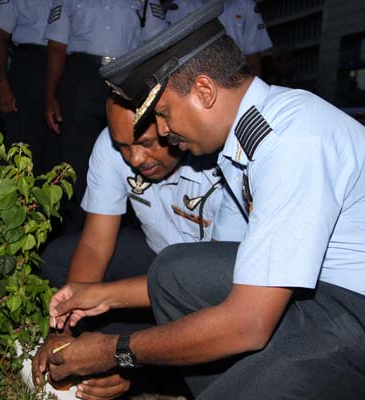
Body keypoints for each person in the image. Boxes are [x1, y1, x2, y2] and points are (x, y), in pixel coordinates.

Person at [36, 2, 365, 399]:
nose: (162, 131)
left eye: (163, 113)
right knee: (176, 271)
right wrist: (104, 295)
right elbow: (232, 280)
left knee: (210, 308)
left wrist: (116, 352)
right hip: (326, 300)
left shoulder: (291, 141)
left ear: (204, 91)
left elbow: (248, 322)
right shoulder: (247, 143)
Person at [33, 94, 244, 399]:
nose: (135, 159)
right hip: (157, 260)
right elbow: (94, 245)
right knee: (60, 259)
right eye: (123, 146)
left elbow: (210, 287)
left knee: (218, 357)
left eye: (147, 143)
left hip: (216, 285)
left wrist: (122, 359)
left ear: (171, 122)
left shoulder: (223, 158)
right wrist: (62, 330)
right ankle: (104, 350)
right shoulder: (111, 146)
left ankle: (133, 364)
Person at [42, 0, 169, 233]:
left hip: (128, 78)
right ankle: (77, 232)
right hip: (82, 77)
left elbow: (157, 43)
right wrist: (50, 95)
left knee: (134, 152)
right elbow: (57, 45)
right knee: (76, 161)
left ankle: (129, 229)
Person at [0, 0, 60, 176]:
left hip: (68, 64)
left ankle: (54, 191)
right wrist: (2, 83)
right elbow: (0, 36)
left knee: (58, 143)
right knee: (22, 142)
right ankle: (18, 189)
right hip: (29, 65)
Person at [161, 0, 272, 76]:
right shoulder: (179, 7)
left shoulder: (245, 4)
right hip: (196, 81)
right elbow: (171, 62)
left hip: (237, 79)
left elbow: (253, 62)